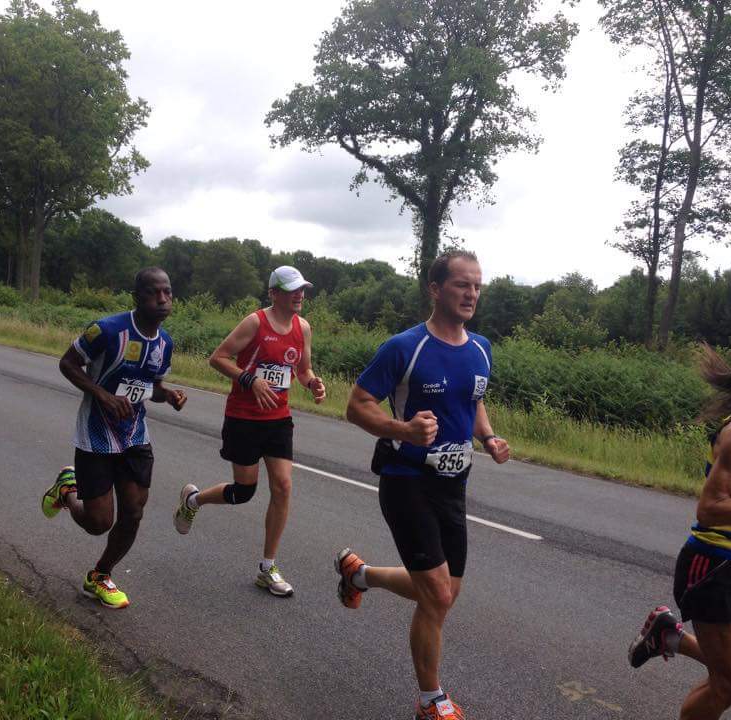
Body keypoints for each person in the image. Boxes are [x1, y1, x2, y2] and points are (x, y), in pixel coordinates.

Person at [335, 250, 510, 720]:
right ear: (435, 289)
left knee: (444, 591)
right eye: (462, 284)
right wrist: (404, 430)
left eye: (477, 286)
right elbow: (357, 406)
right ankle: (431, 699)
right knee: (436, 595)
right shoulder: (405, 347)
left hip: (453, 484)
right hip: (406, 480)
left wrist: (488, 438)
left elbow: (473, 401)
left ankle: (359, 575)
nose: (472, 294)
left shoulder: (481, 349)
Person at [627, 331, 731, 719]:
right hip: (713, 565)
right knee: (730, 683)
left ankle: (669, 635)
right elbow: (709, 508)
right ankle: (674, 639)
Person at [172, 265, 325, 597]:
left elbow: (303, 369)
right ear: (274, 293)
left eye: (302, 289)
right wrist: (249, 379)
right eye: (292, 290)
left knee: (283, 486)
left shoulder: (303, 327)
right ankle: (194, 500)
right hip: (244, 417)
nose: (300, 295)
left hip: (278, 419)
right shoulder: (255, 322)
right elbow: (218, 358)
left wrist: (312, 382)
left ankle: (267, 568)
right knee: (244, 492)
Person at [41, 267, 187, 609]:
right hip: (96, 435)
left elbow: (151, 387)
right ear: (137, 297)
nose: (163, 299)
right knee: (99, 522)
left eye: (167, 292)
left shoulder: (165, 343)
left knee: (133, 512)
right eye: (154, 292)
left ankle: (100, 575)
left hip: (135, 435)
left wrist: (169, 396)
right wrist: (102, 395)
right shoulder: (106, 330)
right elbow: (67, 364)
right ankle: (67, 490)